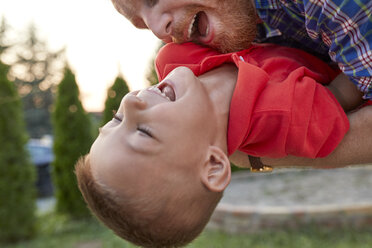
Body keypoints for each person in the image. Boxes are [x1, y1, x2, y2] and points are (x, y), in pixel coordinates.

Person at [75, 42, 364, 247]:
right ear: (212, 165)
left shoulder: (174, 58)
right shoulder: (283, 118)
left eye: (117, 118)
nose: (129, 101)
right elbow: (349, 86)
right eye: (144, 132)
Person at [110, 0, 372, 167]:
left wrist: (256, 158)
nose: (157, 29)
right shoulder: (245, 24)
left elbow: (333, 104)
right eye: (141, 24)